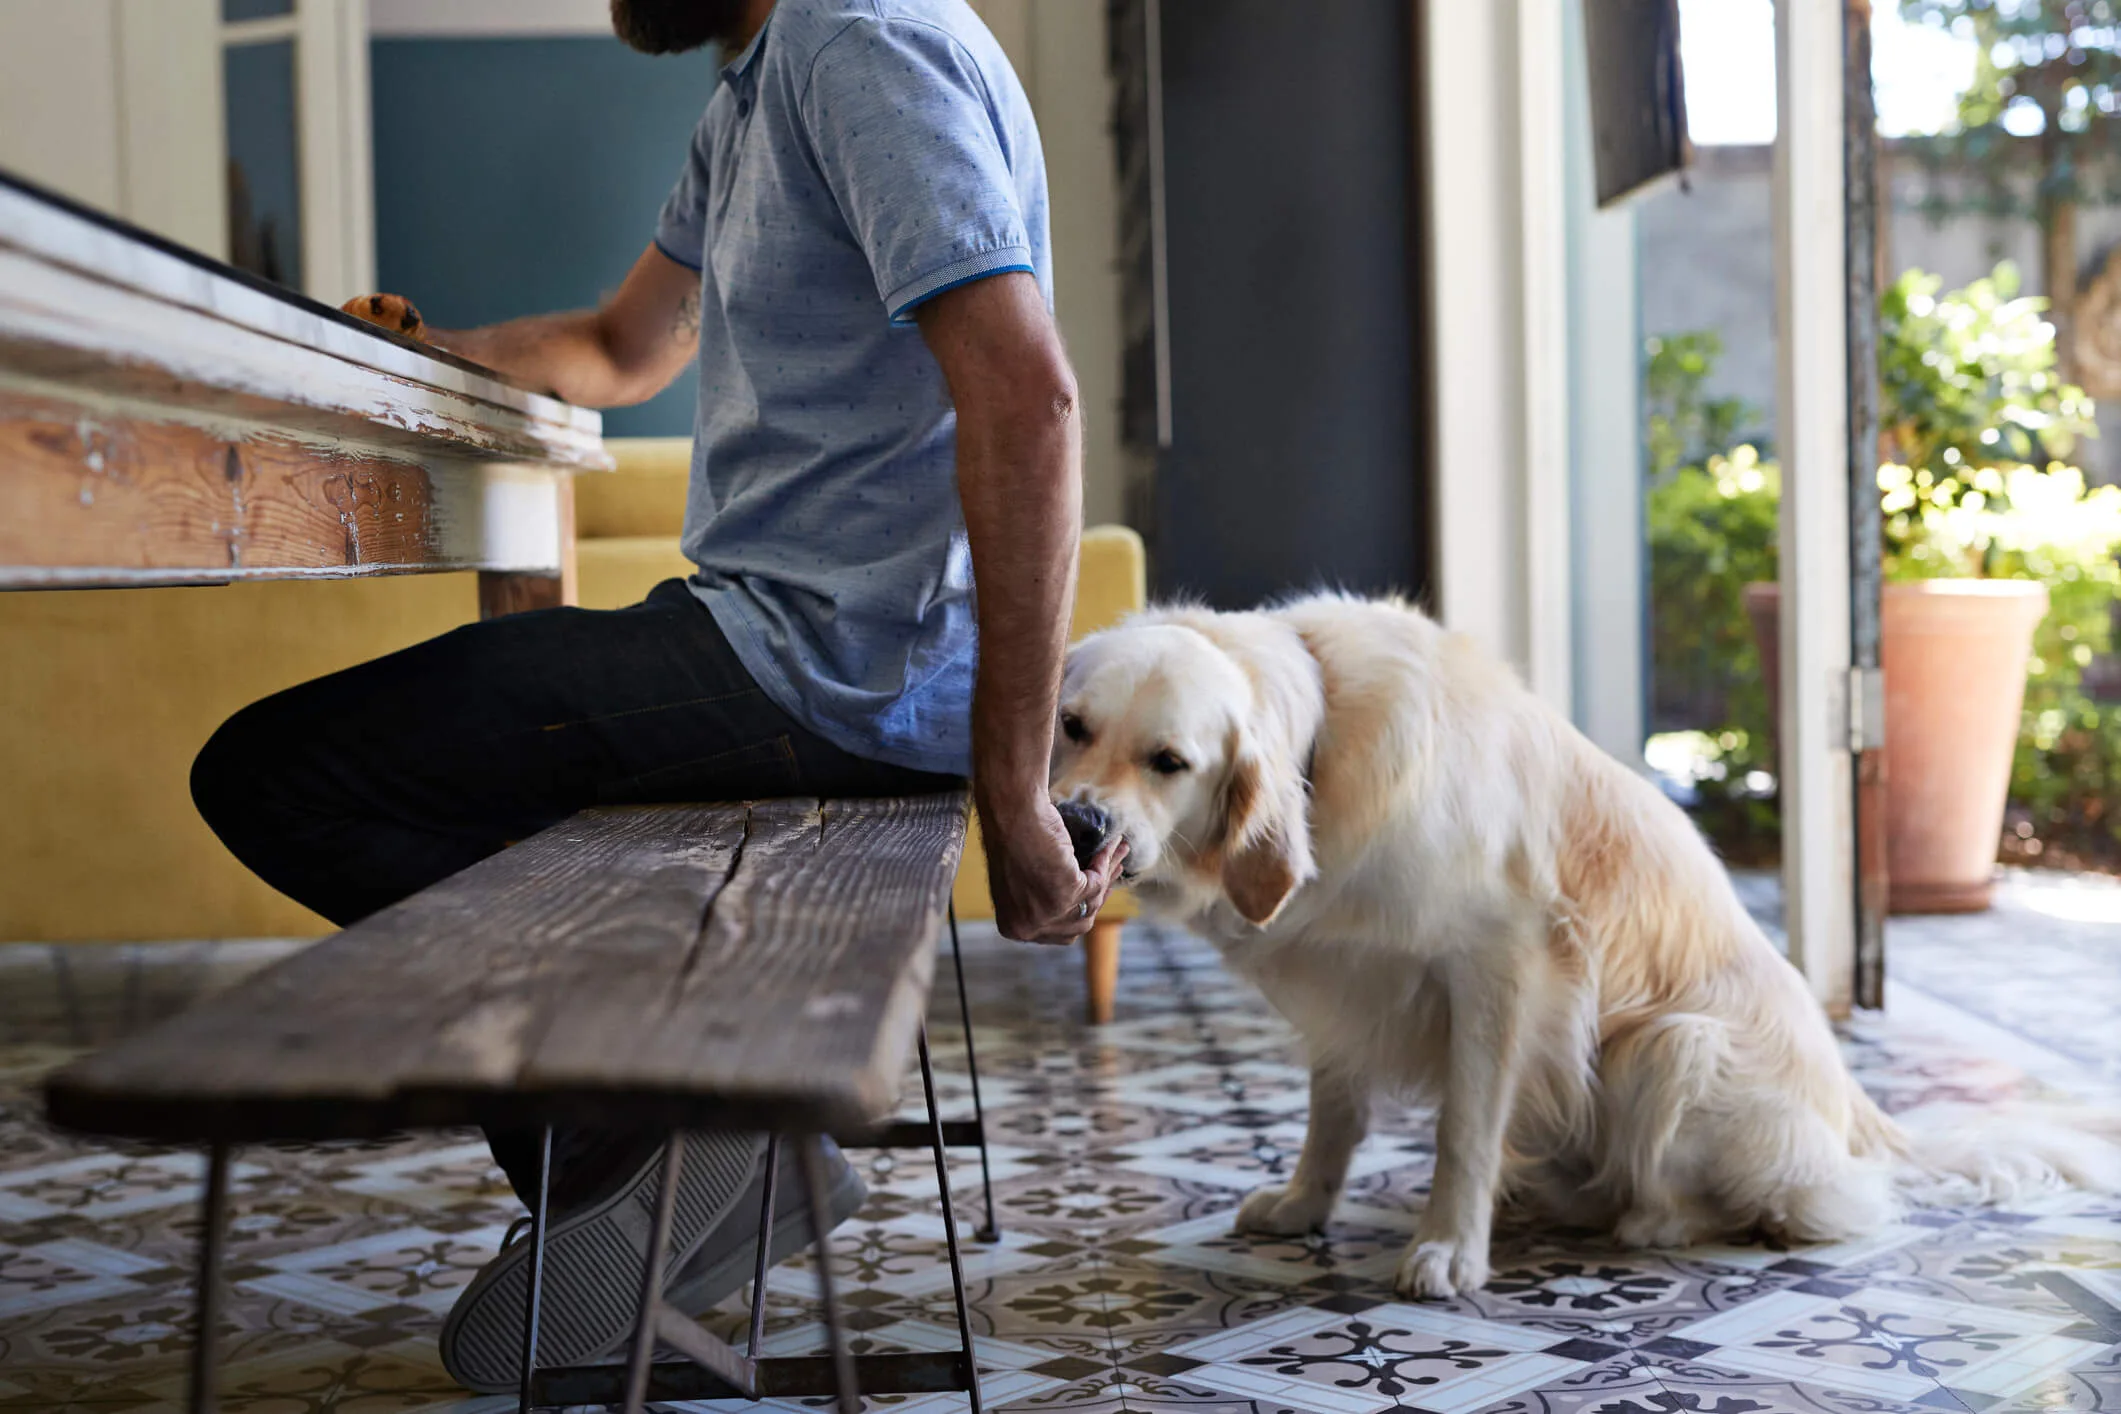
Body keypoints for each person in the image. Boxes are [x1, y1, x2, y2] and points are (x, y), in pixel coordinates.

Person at [188, 0, 1125, 1390]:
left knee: (279, 772)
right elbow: (625, 350)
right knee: (401, 770)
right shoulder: (753, 94)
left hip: (829, 673)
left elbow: (1028, 399)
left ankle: (644, 1142)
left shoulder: (860, 47)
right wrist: (400, 348)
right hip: (783, 647)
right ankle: (661, 1143)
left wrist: (1014, 797)